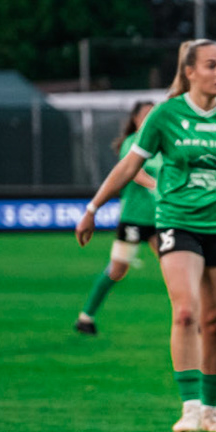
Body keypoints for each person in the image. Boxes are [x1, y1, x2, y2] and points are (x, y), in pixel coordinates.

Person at [74, 40, 216, 432]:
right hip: (176, 221)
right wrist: (93, 208)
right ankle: (189, 407)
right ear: (190, 71)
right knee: (185, 312)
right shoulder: (166, 115)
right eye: (211, 65)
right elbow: (128, 166)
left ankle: (212, 411)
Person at [73, 101, 162, 336]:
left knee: (176, 268)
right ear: (135, 119)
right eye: (146, 114)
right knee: (117, 270)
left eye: (154, 113)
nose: (151, 117)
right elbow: (134, 172)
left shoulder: (162, 144)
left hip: (160, 219)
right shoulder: (132, 144)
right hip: (133, 218)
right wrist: (157, 186)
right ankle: (86, 317)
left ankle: (194, 320)